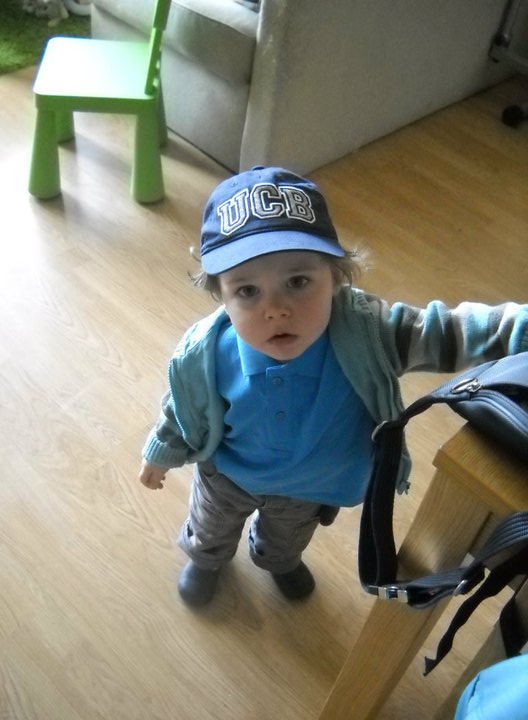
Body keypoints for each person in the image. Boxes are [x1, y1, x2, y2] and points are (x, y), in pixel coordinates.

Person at [139, 166, 528, 608]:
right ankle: (206, 560)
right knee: (210, 528)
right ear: (221, 298)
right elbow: (183, 408)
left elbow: (450, 332)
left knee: (286, 541)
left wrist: (519, 329)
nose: (276, 309)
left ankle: (277, 561)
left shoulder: (370, 335)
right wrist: (161, 450)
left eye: (298, 282)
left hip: (308, 489)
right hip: (227, 476)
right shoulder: (206, 354)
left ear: (337, 277)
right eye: (247, 291)